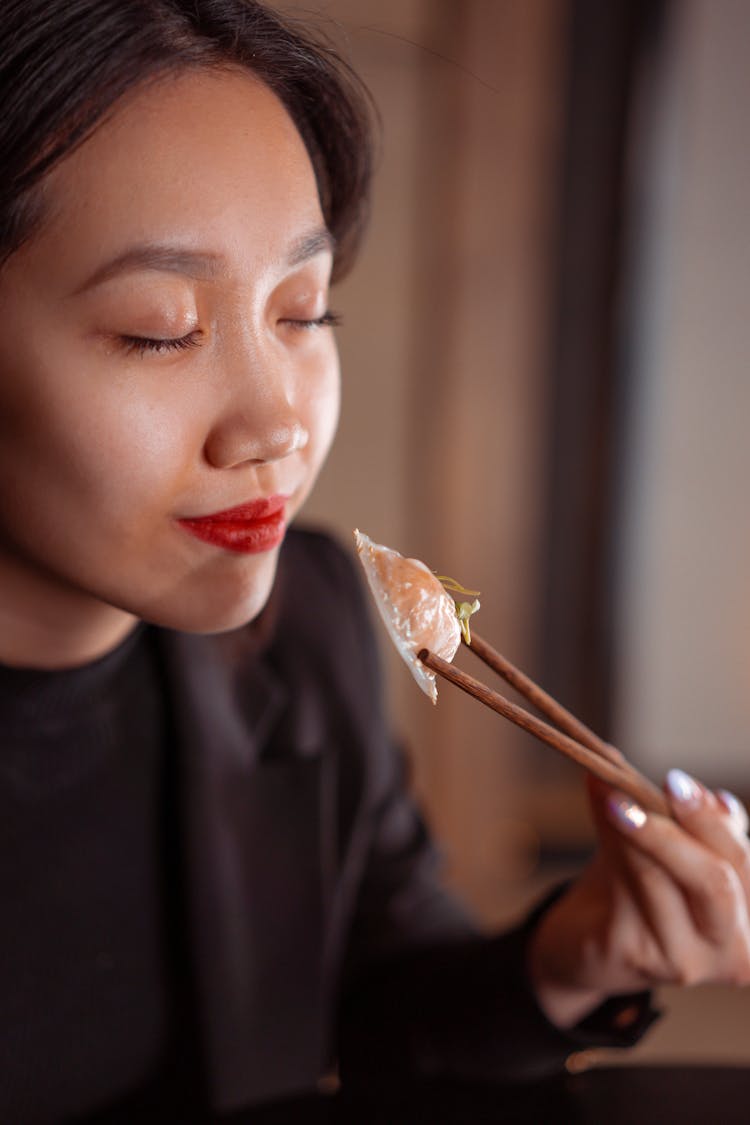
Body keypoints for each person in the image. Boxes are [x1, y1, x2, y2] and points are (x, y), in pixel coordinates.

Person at [0, 1, 748, 1121]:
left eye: (304, 311)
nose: (275, 424)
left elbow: (382, 1011)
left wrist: (578, 953)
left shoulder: (301, 623)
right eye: (160, 328)